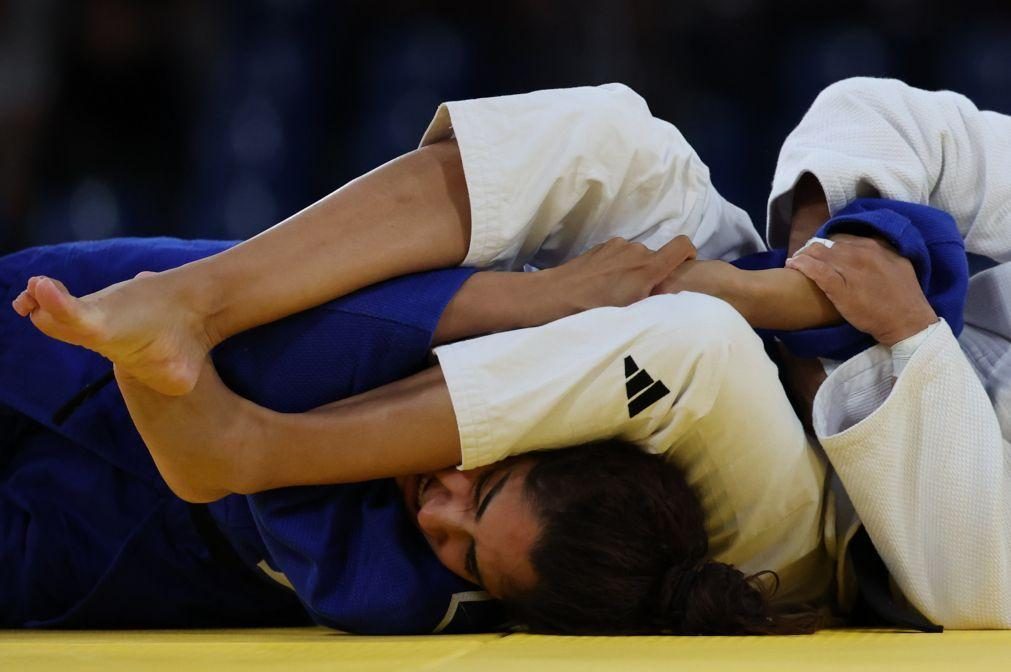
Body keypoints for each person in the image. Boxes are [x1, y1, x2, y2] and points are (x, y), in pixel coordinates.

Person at [8, 85, 842, 633]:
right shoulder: (546, 386)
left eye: (469, 551)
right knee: (615, 137)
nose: (439, 511)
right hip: (109, 326)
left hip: (105, 528)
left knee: (272, 388)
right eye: (483, 491)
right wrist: (776, 293)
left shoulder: (408, 583)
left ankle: (246, 435)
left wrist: (527, 299)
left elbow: (195, 436)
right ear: (550, 429)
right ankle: (199, 312)